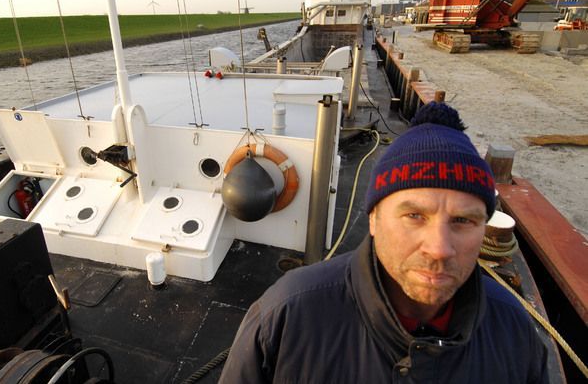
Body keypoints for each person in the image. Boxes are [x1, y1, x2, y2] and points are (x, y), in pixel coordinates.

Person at [219, 102, 548, 383]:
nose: (439, 248)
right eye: (415, 216)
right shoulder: (285, 318)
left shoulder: (515, 333)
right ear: (374, 219)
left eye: (463, 221)